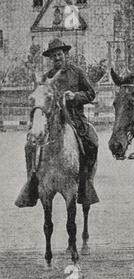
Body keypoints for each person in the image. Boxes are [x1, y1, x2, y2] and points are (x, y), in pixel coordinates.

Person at [15, 38, 99, 207]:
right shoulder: (47, 77)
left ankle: (86, 182)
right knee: (29, 145)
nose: (57, 58)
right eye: (53, 56)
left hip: (75, 118)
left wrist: (76, 96)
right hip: (51, 120)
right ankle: (32, 183)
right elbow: (40, 98)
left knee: (92, 141)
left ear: (65, 54)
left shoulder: (77, 72)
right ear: (50, 59)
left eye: (59, 54)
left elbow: (91, 93)